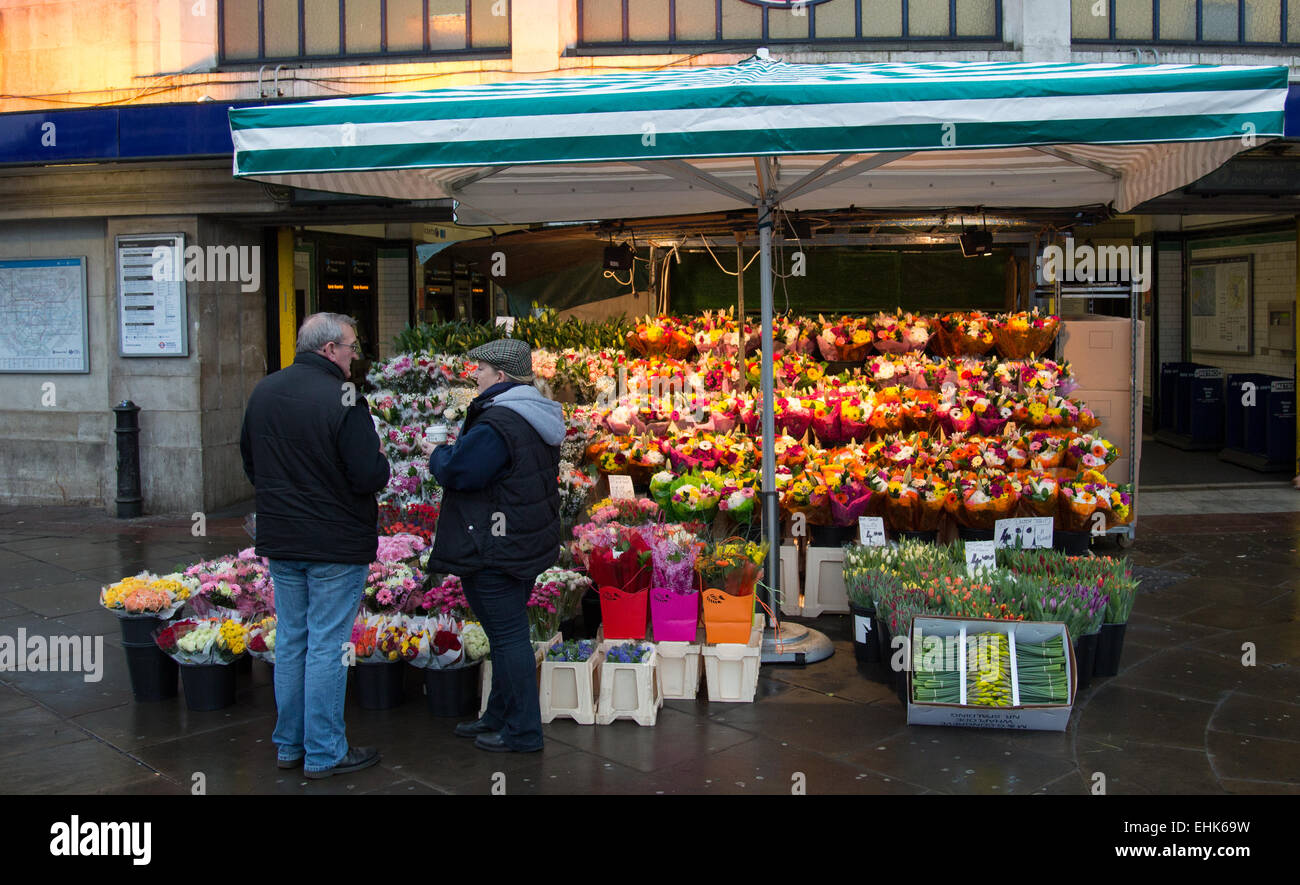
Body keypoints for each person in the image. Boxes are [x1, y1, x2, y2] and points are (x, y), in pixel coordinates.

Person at [240, 312, 390, 779]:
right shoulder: (344, 397)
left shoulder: (265, 390)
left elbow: (249, 457)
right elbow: (369, 475)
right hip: (334, 542)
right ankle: (324, 751)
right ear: (329, 350)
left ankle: (289, 746)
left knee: (292, 640)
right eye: (351, 347)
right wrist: (381, 461)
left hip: (283, 538)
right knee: (326, 645)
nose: (354, 356)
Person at [419, 338, 564, 753]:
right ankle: (499, 715)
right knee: (507, 634)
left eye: (479, 369)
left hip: (495, 548)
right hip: (521, 540)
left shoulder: (500, 422)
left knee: (509, 637)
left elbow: (463, 472)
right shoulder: (532, 413)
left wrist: (437, 455)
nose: (474, 376)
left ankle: (523, 732)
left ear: (500, 376)